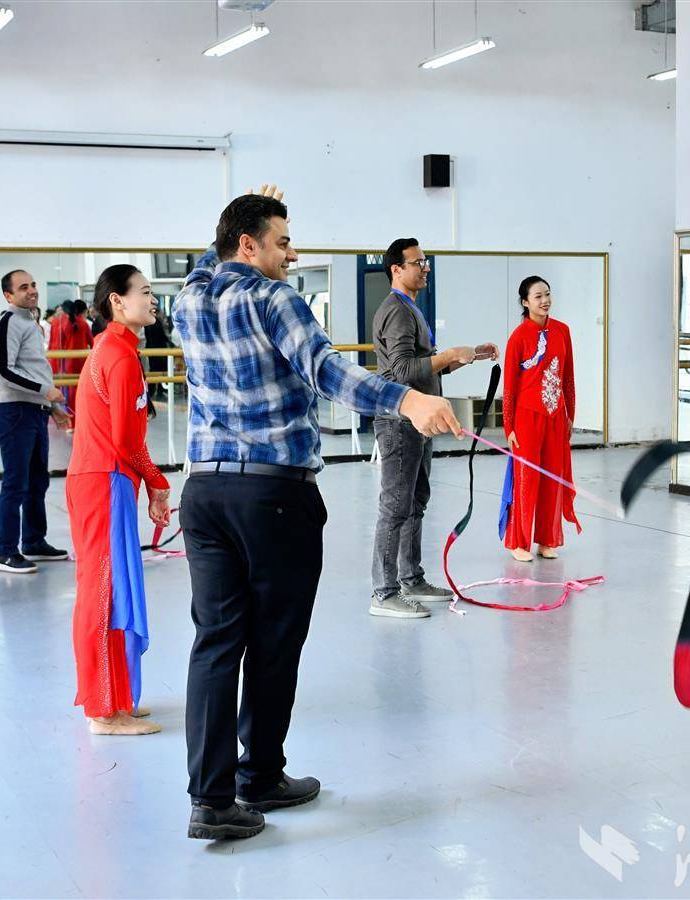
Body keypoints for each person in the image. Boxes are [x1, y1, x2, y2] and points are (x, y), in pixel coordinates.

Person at [173, 186, 460, 841]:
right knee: (273, 641)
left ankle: (210, 799)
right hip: (273, 495)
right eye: (281, 242)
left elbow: (207, 259)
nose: (292, 254)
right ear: (249, 246)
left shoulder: (191, 297)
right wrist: (408, 400)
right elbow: (327, 373)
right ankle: (258, 776)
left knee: (216, 642)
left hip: (205, 495)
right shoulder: (277, 300)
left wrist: (237, 215)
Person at [66, 264, 171, 736]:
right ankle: (103, 709)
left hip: (107, 479)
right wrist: (157, 481)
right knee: (103, 591)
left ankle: (117, 695)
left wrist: (146, 483)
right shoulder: (119, 356)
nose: (152, 300)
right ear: (117, 301)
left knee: (112, 587)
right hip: (104, 481)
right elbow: (126, 439)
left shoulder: (115, 349)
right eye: (144, 292)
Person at [369, 237, 497, 618]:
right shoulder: (396, 311)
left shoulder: (411, 308)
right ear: (397, 269)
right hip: (400, 422)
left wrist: (468, 356)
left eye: (425, 262)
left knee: (415, 500)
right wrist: (449, 355)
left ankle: (411, 579)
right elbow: (401, 371)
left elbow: (424, 366)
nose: (425, 268)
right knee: (396, 505)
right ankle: (384, 592)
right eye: (418, 263)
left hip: (419, 423)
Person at [0, 269, 72, 574]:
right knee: (16, 483)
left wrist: (52, 407)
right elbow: (5, 371)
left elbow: (33, 369)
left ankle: (34, 540)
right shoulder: (7, 322)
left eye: (33, 284)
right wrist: (45, 391)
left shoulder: (31, 323)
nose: (32, 290)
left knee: (37, 480)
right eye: (23, 287)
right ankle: (6, 551)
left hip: (36, 411)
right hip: (15, 413)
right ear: (9, 295)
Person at [499, 276, 580, 561]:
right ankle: (519, 543)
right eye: (537, 296)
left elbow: (567, 377)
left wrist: (570, 414)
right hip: (526, 418)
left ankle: (547, 539)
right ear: (525, 302)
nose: (545, 300)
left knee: (552, 479)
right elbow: (509, 387)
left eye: (547, 294)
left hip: (556, 416)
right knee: (527, 480)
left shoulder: (562, 331)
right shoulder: (518, 337)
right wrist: (509, 426)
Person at [62, 299, 93, 413]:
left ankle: (71, 415)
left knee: (70, 389)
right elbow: (92, 343)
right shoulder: (84, 324)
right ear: (84, 311)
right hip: (82, 361)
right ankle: (81, 414)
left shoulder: (65, 324)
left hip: (68, 362)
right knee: (82, 388)